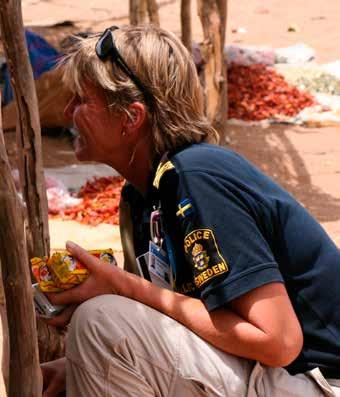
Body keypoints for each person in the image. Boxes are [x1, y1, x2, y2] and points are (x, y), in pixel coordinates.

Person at [41, 24, 340, 397]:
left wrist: (121, 286)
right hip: (277, 376)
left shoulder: (197, 179)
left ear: (131, 118)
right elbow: (187, 316)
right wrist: (78, 364)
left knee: (101, 321)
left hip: (317, 380)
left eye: (82, 100)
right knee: (93, 336)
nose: (68, 112)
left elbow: (277, 340)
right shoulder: (143, 195)